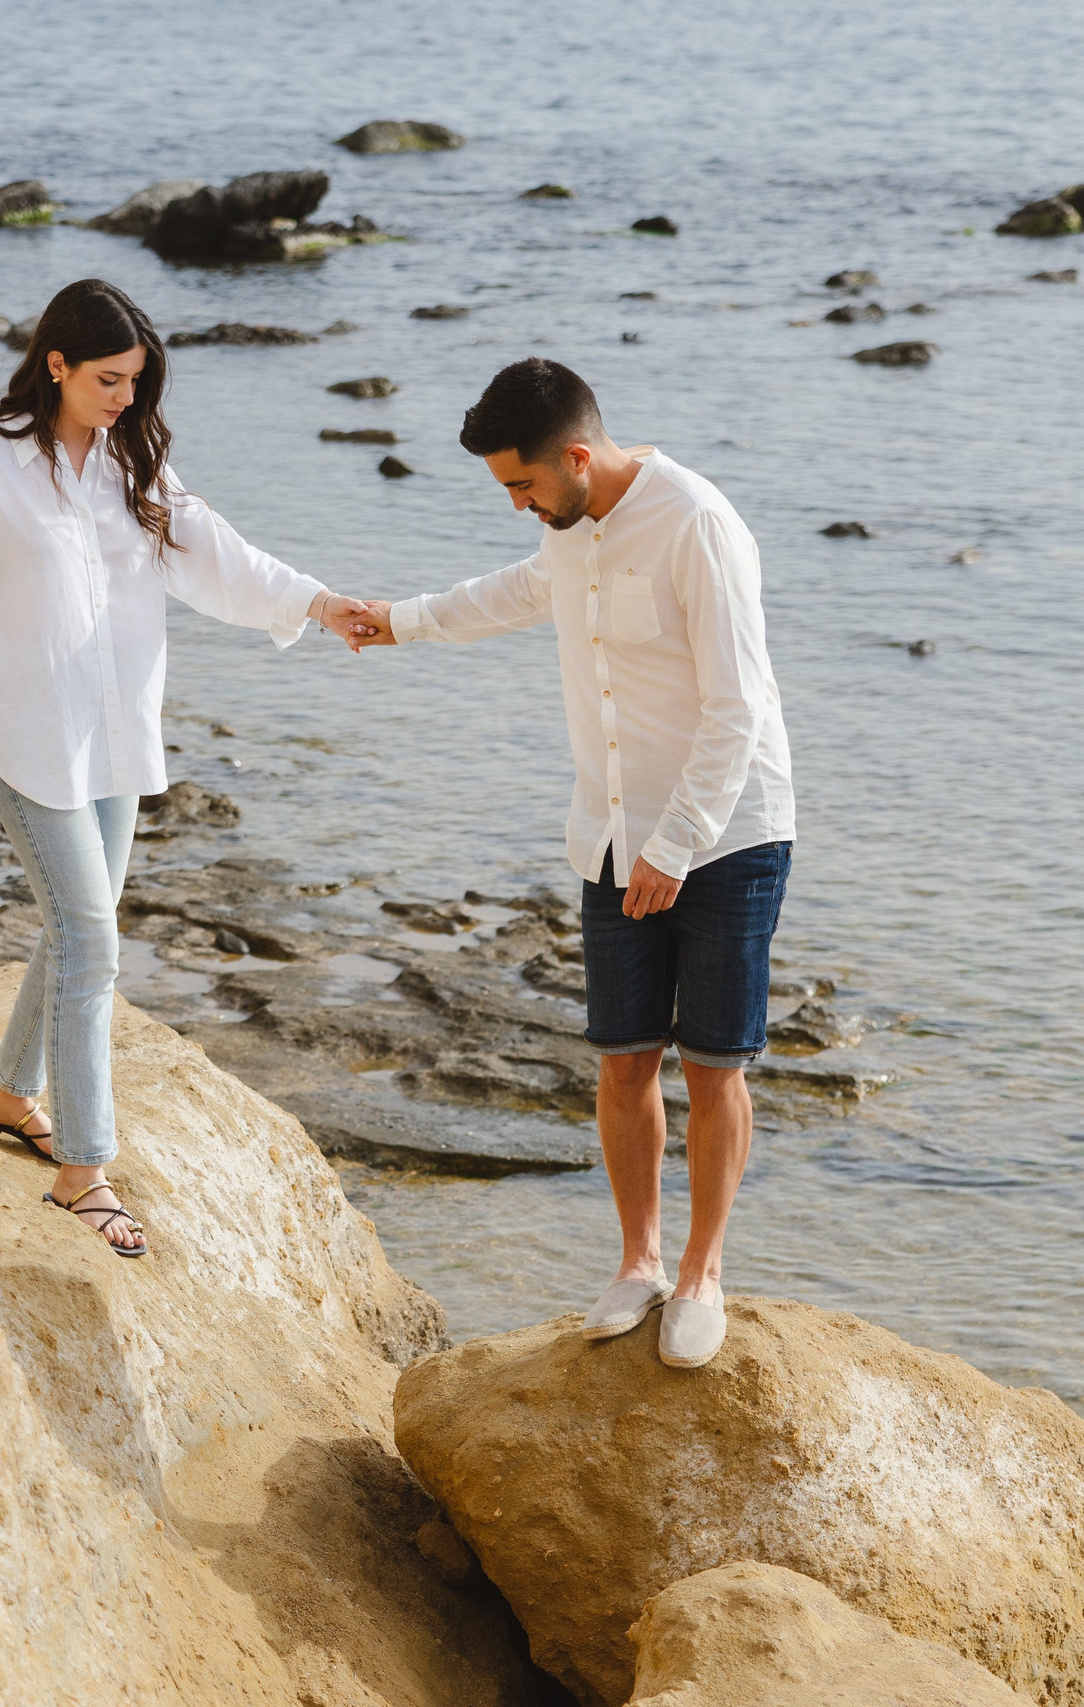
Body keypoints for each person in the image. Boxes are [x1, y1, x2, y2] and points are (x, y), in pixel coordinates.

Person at [0, 277, 376, 1256]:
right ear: (56, 364)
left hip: (112, 734)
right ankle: (85, 1171)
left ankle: (4, 1093)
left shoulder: (131, 460)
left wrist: (321, 604)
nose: (125, 397)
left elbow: (218, 558)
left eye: (137, 382)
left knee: (83, 926)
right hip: (25, 733)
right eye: (109, 379)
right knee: (88, 938)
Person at [346, 359, 794, 1367]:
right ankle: (638, 1263)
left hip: (725, 835)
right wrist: (401, 621)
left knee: (714, 1064)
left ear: (577, 456)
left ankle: (701, 1275)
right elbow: (513, 593)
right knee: (622, 1056)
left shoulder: (697, 526)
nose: (516, 506)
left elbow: (738, 710)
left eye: (524, 484)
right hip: (607, 832)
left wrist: (674, 849)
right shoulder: (564, 529)